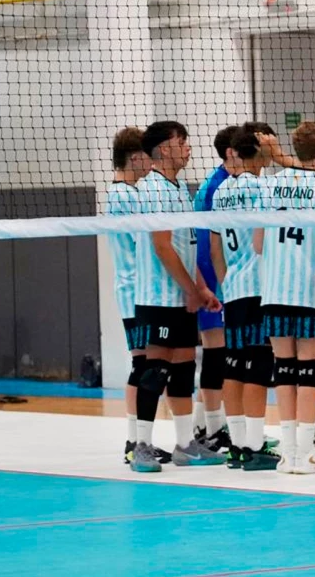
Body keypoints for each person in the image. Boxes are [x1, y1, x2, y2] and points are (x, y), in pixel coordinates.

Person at [129, 121, 224, 473]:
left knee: (184, 366)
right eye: (182, 142)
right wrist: (190, 290)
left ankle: (185, 445)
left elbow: (187, 248)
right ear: (164, 148)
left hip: (182, 296)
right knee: (155, 369)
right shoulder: (152, 188)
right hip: (158, 298)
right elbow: (162, 246)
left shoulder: (180, 188)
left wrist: (201, 289)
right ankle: (140, 446)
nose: (188, 147)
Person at [258, 121, 315, 474]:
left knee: (284, 369)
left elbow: (258, 243)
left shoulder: (268, 186)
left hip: (274, 288)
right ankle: (305, 453)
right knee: (309, 369)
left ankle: (288, 452)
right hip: (308, 289)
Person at [212, 125, 283, 471]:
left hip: (234, 290)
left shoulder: (220, 191)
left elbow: (215, 250)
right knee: (258, 365)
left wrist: (227, 285)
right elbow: (262, 242)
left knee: (234, 366)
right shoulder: (263, 188)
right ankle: (255, 446)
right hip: (259, 286)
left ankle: (238, 446)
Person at [108, 127, 171, 465]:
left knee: (143, 364)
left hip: (133, 289)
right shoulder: (126, 197)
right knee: (143, 366)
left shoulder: (124, 193)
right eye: (148, 158)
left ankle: (135, 439)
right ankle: (134, 441)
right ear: (136, 158)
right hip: (136, 291)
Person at [190, 125, 240, 453]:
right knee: (215, 353)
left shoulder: (226, 182)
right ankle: (213, 428)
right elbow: (209, 243)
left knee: (220, 354)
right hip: (213, 279)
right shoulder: (216, 187)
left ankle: (205, 426)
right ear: (231, 154)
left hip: (222, 278)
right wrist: (213, 285)